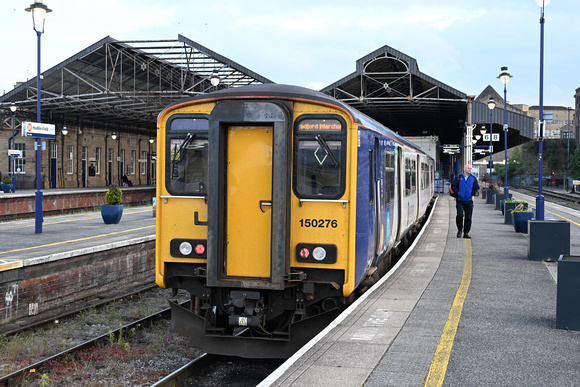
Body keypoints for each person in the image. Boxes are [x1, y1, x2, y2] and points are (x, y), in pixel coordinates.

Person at [450, 164, 479, 239]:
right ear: (464, 169)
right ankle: (460, 230)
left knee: (468, 217)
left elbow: (476, 187)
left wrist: (472, 194)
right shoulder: (459, 177)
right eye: (468, 168)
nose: (470, 170)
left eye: (471, 168)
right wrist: (457, 192)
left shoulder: (473, 178)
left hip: (469, 201)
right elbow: (453, 186)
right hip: (460, 200)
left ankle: (466, 232)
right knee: (459, 215)